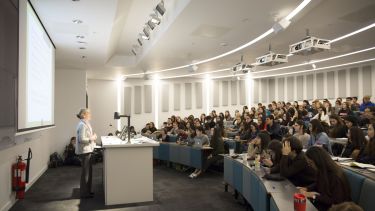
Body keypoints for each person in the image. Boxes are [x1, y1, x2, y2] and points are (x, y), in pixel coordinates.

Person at [300, 146, 351, 211]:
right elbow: (318, 183)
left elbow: (336, 201)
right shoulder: (322, 170)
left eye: (311, 162)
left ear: (318, 161)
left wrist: (313, 196)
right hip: (324, 204)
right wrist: (307, 188)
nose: (310, 165)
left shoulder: (335, 177)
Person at [76, 108, 97, 198]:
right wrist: (92, 138)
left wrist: (92, 137)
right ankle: (84, 193)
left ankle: (87, 191)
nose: (90, 115)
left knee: (88, 172)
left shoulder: (85, 124)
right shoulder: (82, 125)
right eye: (88, 114)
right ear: (84, 115)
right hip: (85, 151)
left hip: (88, 150)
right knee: (85, 173)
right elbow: (81, 139)